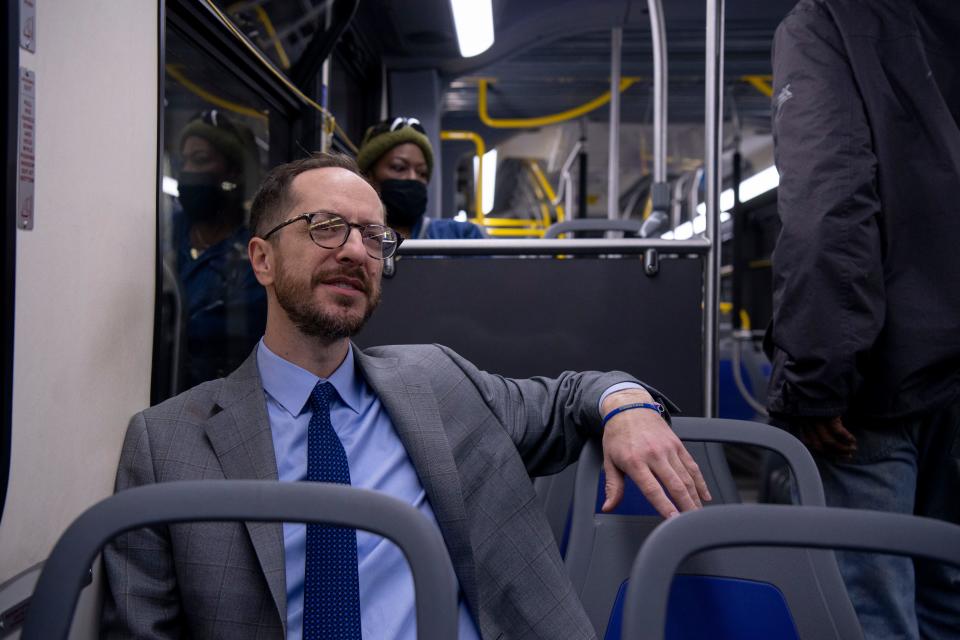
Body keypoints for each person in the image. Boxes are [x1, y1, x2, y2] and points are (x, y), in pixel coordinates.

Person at [102, 152, 710, 639]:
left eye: (373, 237)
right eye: (326, 227)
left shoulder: (440, 383)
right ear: (261, 259)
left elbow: (571, 395)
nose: (354, 251)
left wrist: (628, 406)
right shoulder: (168, 444)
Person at [764, 1, 960, 638]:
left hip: (875, 392)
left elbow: (828, 207)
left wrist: (815, 383)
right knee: (949, 602)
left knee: (863, 618)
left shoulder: (827, 22)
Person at [171, 110, 267, 389]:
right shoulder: (167, 228)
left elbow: (209, 333)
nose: (187, 171)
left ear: (234, 172)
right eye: (183, 161)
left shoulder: (253, 254)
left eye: (200, 161)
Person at [356, 116, 486, 240]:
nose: (413, 178)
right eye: (399, 168)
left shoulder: (462, 236)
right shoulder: (353, 239)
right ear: (369, 176)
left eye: (422, 173)